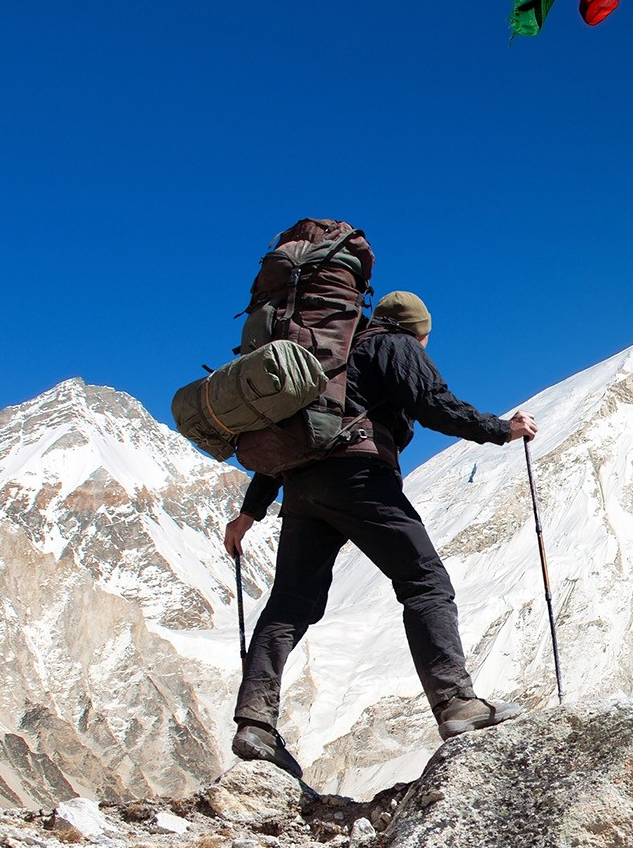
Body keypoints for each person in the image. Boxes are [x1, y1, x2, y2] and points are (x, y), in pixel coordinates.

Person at [223, 290, 537, 778]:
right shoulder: (395, 345)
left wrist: (249, 513)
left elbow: (292, 439)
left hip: (303, 489)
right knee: (425, 581)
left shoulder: (326, 364)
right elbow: (435, 405)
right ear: (420, 330)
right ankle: (456, 703)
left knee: (289, 603)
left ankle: (255, 724)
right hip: (361, 478)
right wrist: (501, 429)